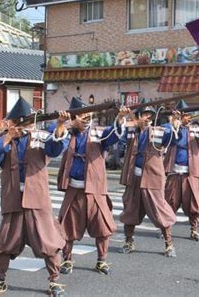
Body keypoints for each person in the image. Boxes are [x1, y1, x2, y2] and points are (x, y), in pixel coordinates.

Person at [0, 97, 67, 296]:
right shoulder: (5, 138)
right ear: (12, 122)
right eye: (19, 121)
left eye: (27, 121)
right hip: (13, 198)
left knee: (49, 241)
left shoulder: (41, 137)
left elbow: (55, 148)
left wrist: (61, 126)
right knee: (5, 242)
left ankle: (54, 282)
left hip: (37, 200)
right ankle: (0, 281)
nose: (24, 125)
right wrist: (8, 137)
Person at [48, 97, 128, 275]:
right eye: (80, 115)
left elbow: (114, 134)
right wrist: (66, 124)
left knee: (102, 227)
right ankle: (67, 260)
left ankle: (101, 260)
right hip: (73, 188)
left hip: (95, 189)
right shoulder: (67, 132)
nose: (84, 118)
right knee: (67, 227)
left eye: (87, 114)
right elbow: (52, 137)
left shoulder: (99, 133)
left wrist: (120, 118)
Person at [119, 100, 177, 257]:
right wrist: (125, 118)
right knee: (130, 210)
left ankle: (169, 244)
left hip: (152, 178)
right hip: (134, 177)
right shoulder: (132, 130)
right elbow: (120, 132)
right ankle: (129, 241)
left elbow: (172, 139)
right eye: (145, 115)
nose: (148, 118)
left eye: (150, 115)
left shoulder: (159, 131)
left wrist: (174, 124)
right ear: (138, 116)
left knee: (159, 210)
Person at [163, 100, 199, 241]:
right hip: (174, 172)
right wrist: (175, 125)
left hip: (190, 172)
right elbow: (171, 139)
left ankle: (194, 230)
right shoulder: (168, 127)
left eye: (189, 115)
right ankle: (166, 230)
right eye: (185, 115)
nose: (188, 118)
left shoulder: (195, 129)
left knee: (193, 202)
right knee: (170, 202)